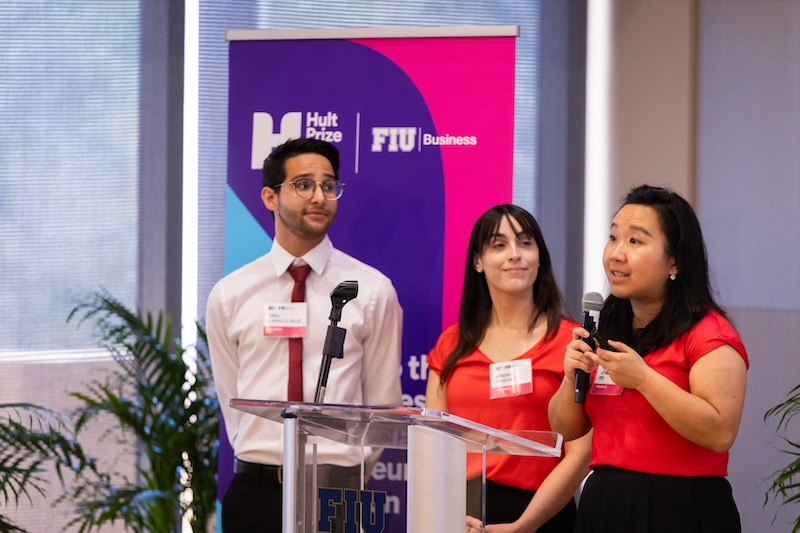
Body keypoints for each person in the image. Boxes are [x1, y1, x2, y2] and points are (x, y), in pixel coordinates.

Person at [206, 137, 403, 532]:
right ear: (270, 197)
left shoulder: (371, 289)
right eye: (303, 185)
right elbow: (232, 401)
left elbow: (383, 407)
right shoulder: (231, 294)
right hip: (257, 491)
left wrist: (343, 471)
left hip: (340, 492)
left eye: (328, 185)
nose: (319, 196)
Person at [547, 184, 749, 532]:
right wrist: (570, 377)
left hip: (680, 507)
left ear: (675, 261)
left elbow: (720, 432)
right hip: (605, 502)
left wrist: (643, 379)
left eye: (635, 241)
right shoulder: (606, 327)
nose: (616, 254)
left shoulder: (708, 333)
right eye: (613, 238)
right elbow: (565, 429)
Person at [425, 204, 592, 533]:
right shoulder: (452, 344)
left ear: (539, 257)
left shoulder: (572, 343)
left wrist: (524, 525)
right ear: (478, 261)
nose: (514, 254)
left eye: (525, 243)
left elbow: (581, 453)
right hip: (463, 515)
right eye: (499, 245)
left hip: (542, 514)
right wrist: (447, 512)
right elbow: (432, 447)